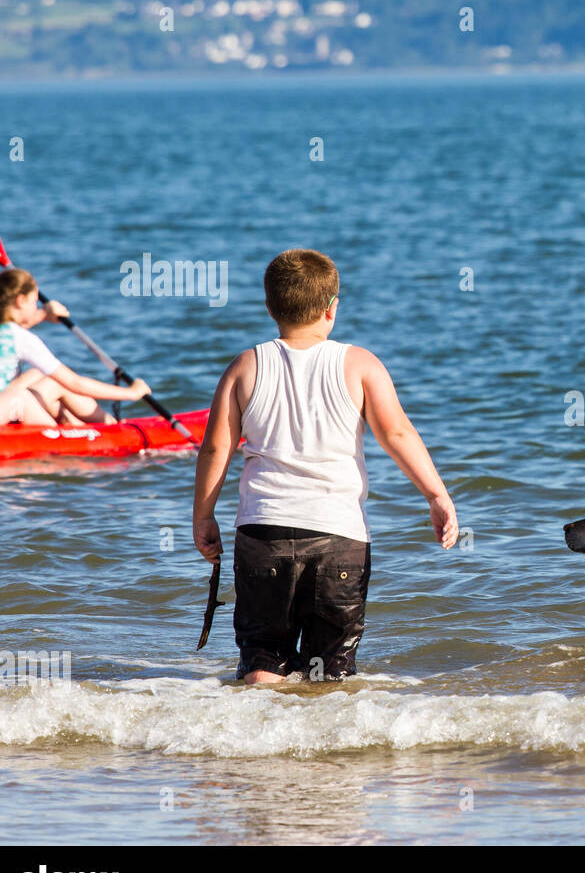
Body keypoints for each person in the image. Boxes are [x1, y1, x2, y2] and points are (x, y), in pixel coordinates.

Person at [192, 249, 458, 684]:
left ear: (269, 307)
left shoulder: (245, 366)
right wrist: (436, 496)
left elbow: (214, 448)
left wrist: (203, 516)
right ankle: (328, 750)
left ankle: (254, 747)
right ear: (331, 308)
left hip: (262, 534)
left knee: (263, 661)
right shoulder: (359, 364)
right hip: (339, 538)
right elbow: (398, 435)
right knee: (330, 672)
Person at [0, 268, 150, 426]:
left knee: (37, 374)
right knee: (57, 383)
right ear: (20, 300)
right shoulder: (21, 337)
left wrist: (44, 314)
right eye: (34, 302)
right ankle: (111, 428)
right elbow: (75, 384)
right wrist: (131, 393)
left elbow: (7, 334)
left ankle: (81, 426)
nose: (36, 307)